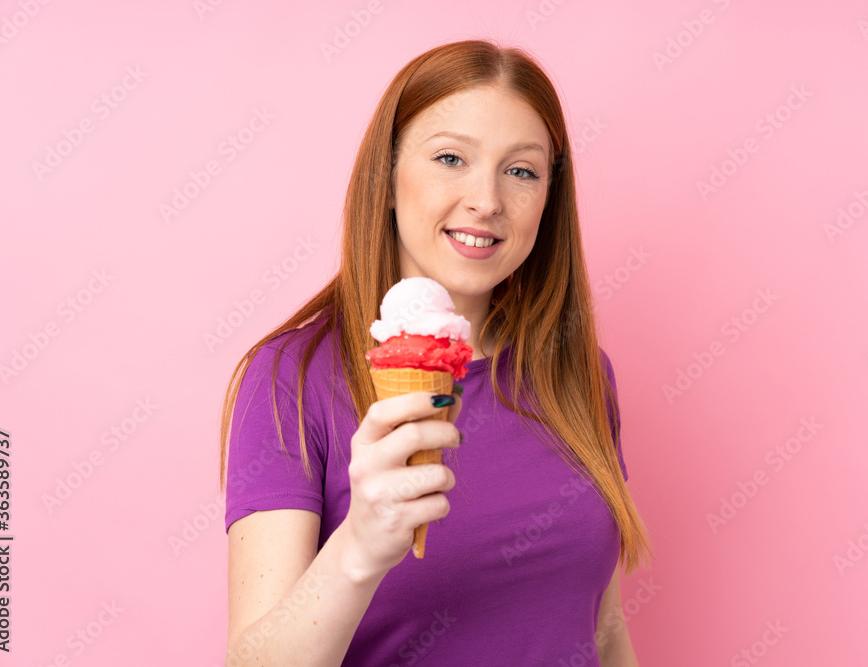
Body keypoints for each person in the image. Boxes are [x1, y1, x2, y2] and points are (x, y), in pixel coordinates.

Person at [218, 38, 653, 666]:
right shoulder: (291, 378)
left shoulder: (578, 376)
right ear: (387, 179)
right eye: (451, 157)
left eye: (522, 170)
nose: (487, 200)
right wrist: (359, 547)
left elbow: (606, 632)